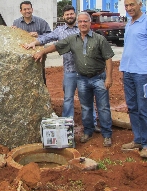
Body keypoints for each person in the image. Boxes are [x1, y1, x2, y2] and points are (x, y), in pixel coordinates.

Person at [33, 12, 114, 147]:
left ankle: (107, 135)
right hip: (82, 79)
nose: (82, 24)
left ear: (89, 23)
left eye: (85, 21)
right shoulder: (72, 39)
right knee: (86, 107)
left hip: (99, 78)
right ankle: (88, 131)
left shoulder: (99, 39)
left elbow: (108, 58)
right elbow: (57, 46)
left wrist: (109, 77)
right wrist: (42, 51)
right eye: (80, 22)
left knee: (103, 107)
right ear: (78, 23)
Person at [23, 6, 101, 132]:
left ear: (75, 15)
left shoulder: (82, 27)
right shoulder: (59, 31)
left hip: (85, 71)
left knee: (87, 98)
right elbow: (46, 38)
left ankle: (92, 123)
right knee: (68, 99)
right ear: (63, 17)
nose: (69, 16)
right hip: (69, 71)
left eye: (71, 14)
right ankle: (66, 126)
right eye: (67, 14)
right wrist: (35, 43)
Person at [120, 0, 147, 159]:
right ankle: (138, 139)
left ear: (140, 4)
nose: (129, 8)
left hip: (143, 74)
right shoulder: (129, 23)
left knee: (143, 109)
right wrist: (123, 70)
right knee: (132, 108)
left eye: (132, 5)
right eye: (127, 5)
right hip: (128, 72)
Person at [13, 0, 51, 83]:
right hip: (22, 57)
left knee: (40, 79)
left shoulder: (41, 22)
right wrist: (13, 32)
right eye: (25, 9)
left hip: (38, 57)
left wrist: (38, 36)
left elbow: (50, 36)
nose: (27, 11)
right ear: (21, 11)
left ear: (32, 9)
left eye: (29, 9)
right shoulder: (16, 23)